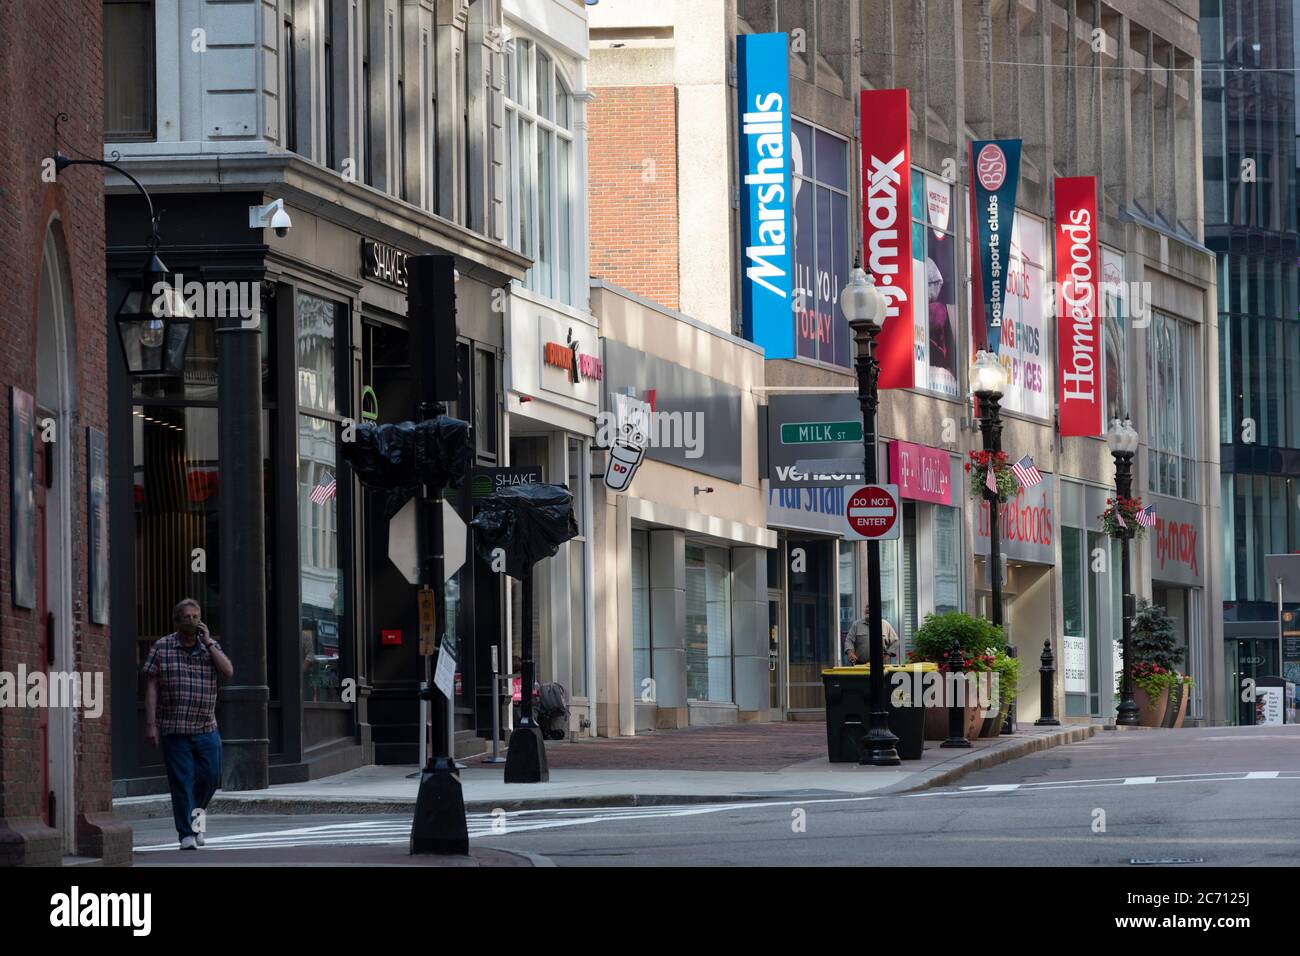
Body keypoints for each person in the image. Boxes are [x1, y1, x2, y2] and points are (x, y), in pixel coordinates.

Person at [143, 598, 234, 850]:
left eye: (196, 617)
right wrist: (150, 724)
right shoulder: (162, 647)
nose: (192, 621)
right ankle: (187, 833)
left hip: (206, 726)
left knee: (211, 778)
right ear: (177, 621)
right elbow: (150, 684)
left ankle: (197, 822)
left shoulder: (209, 648)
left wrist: (210, 643)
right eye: (187, 617)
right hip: (175, 728)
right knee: (182, 781)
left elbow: (228, 672)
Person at [844, 601, 900, 666]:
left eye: (870, 607)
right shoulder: (856, 625)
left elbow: (896, 641)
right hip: (860, 666)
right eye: (867, 607)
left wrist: (888, 654)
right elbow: (849, 641)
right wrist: (850, 652)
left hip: (881, 666)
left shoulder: (885, 625)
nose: (868, 609)